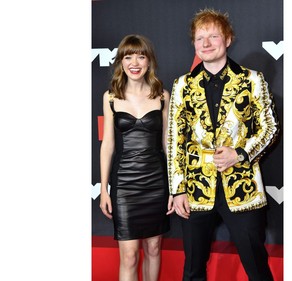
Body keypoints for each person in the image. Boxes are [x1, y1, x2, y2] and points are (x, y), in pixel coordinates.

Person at [167, 8, 279, 281]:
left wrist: (240, 154)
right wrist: (178, 189)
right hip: (195, 191)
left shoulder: (252, 80)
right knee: (193, 269)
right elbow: (174, 140)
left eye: (213, 36)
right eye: (199, 38)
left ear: (228, 39)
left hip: (243, 188)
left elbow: (270, 128)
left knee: (256, 266)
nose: (205, 43)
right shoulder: (182, 85)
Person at [99, 34, 173, 281]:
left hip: (156, 181)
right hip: (125, 184)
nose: (134, 62)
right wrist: (104, 189)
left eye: (140, 56)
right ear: (121, 62)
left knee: (153, 249)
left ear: (149, 61)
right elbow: (108, 144)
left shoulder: (162, 96)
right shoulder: (110, 97)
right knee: (129, 256)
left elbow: (166, 142)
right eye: (128, 56)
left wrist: (173, 187)